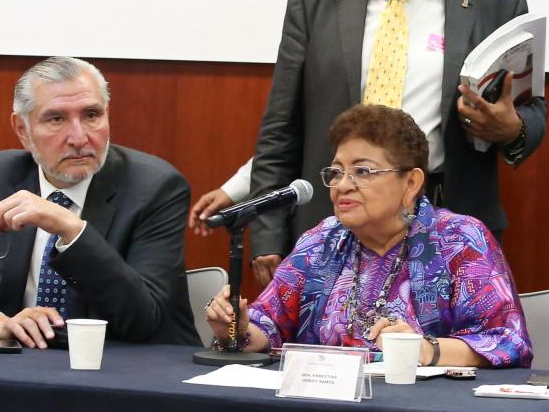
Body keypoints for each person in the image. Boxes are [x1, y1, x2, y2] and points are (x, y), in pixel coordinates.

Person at [195, 0, 545, 287]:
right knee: (328, 349)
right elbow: (282, 126)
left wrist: (511, 128)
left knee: (436, 349)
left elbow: (530, 109)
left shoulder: (497, 0)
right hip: (333, 219)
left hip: (444, 220)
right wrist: (269, 235)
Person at [0, 56, 200, 348]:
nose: (79, 137)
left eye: (91, 115)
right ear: (22, 129)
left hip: (124, 371)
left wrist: (72, 231)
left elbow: (143, 319)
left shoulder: (155, 187)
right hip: (19, 368)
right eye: (57, 119)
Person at [205, 104, 532, 368]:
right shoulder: (322, 241)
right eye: (336, 172)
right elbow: (270, 325)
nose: (343, 185)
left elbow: (506, 340)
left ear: (412, 183)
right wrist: (238, 328)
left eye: (363, 171)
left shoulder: (459, 240)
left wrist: (424, 350)